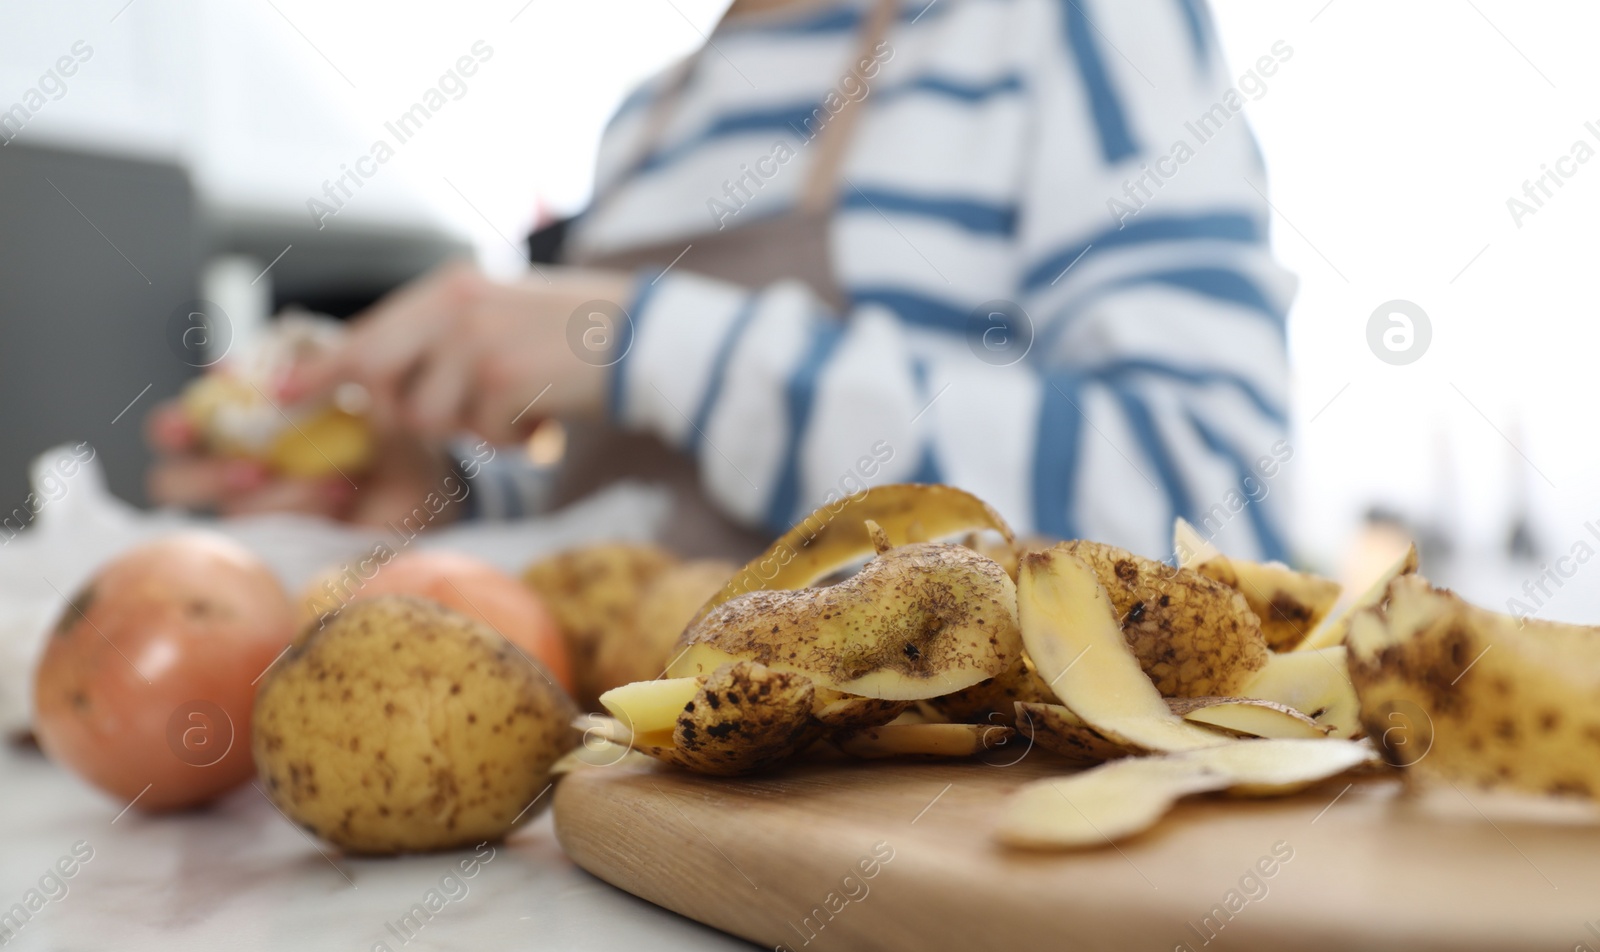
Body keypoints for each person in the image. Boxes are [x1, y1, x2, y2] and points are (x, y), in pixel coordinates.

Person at [148, 0, 1294, 562]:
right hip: (621, 828)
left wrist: (646, 344)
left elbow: (1215, 503)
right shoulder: (648, 118)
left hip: (901, 842)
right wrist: (439, 494)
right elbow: (633, 510)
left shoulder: (1067, 30)